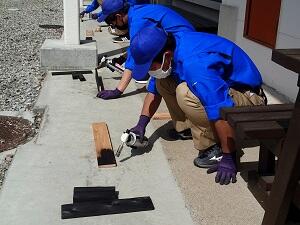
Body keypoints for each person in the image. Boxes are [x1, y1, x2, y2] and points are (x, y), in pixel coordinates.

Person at [127, 26, 267, 185]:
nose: (149, 72)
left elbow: (220, 108)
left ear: (166, 55)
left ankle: (215, 147)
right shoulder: (171, 46)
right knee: (162, 83)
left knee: (185, 93)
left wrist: (229, 156)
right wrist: (141, 124)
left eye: (150, 67)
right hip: (226, 88)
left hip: (250, 99)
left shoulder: (195, 64)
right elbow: (153, 90)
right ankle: (186, 129)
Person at [96, 0, 195, 100]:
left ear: (118, 16)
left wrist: (118, 90)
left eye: (113, 24)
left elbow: (134, 58)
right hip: (182, 42)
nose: (114, 27)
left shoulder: (138, 22)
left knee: (157, 76)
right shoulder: (136, 11)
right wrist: (122, 59)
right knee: (155, 79)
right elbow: (139, 46)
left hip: (185, 50)